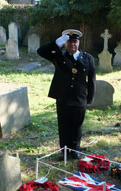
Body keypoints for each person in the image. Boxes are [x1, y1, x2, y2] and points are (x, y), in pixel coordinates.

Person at [37, 29, 96, 159]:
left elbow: (91, 81)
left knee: (77, 126)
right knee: (63, 126)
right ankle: (64, 151)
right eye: (69, 42)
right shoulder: (59, 56)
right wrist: (58, 42)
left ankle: (74, 150)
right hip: (63, 97)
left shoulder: (88, 58)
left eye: (75, 42)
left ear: (78, 42)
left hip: (80, 98)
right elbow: (41, 51)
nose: (72, 45)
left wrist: (89, 100)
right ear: (65, 43)